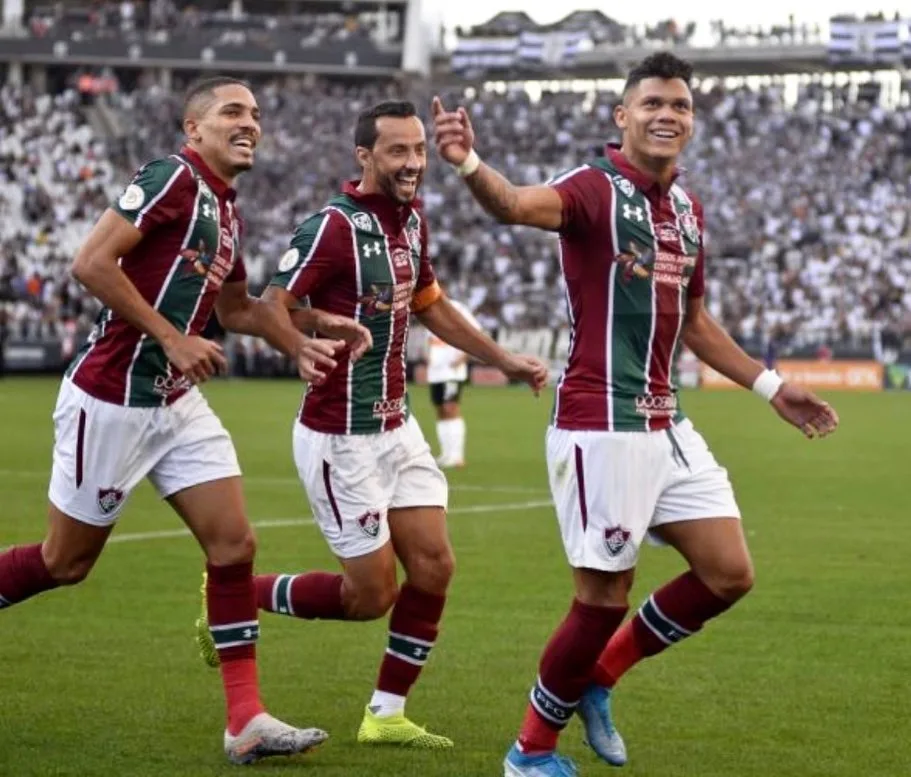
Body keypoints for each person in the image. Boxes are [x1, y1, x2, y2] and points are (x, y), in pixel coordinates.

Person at [432, 52, 840, 777]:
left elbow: (694, 321)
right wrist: (468, 163)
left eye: (679, 105)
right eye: (651, 102)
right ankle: (528, 750)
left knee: (727, 573)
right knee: (600, 598)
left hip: (666, 421)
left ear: (690, 121)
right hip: (600, 421)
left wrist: (772, 386)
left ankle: (597, 676)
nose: (666, 115)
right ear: (621, 116)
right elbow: (515, 205)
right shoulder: (591, 190)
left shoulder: (686, 209)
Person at [0, 76, 371, 766]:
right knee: (64, 562)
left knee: (233, 545)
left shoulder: (229, 212)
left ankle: (245, 720)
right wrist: (172, 336)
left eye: (256, 113)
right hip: (113, 397)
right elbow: (90, 262)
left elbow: (234, 310)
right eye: (233, 111)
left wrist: (309, 325)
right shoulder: (171, 176)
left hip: (174, 403)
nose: (250, 122)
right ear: (193, 127)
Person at [196, 100, 549, 749]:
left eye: (417, 149)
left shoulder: (412, 221)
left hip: (397, 428)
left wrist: (500, 357)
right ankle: (237, 593)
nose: (413, 162)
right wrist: (309, 336)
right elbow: (269, 306)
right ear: (364, 156)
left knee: (436, 565)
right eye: (398, 151)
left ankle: (385, 713)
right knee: (370, 595)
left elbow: (429, 304)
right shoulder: (330, 228)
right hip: (340, 437)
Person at [425, 297, 482, 468]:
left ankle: (457, 456)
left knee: (451, 408)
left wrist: (463, 356)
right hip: (435, 371)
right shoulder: (426, 308)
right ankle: (446, 453)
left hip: (451, 370)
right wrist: (428, 354)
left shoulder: (456, 308)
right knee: (441, 410)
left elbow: (476, 330)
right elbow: (429, 339)